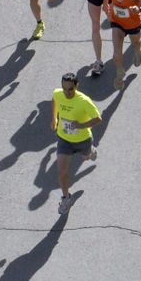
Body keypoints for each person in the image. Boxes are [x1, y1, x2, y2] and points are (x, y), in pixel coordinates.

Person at [51, 72, 101, 214]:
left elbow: (98, 119)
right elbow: (54, 100)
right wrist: (54, 119)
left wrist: (80, 125)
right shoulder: (58, 93)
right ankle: (67, 198)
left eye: (71, 89)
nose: (67, 92)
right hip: (64, 139)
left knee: (86, 157)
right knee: (62, 172)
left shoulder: (84, 101)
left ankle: (90, 152)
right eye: (65, 88)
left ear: (77, 86)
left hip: (82, 140)